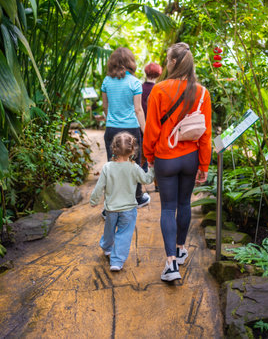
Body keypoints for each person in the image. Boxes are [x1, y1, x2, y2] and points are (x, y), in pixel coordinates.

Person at [143, 42, 212, 282]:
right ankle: (181, 249)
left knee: (168, 208)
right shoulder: (202, 93)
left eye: (167, 59)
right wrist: (204, 165)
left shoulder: (159, 90)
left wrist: (149, 157)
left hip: (166, 157)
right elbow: (206, 133)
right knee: (184, 204)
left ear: (173, 63)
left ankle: (171, 265)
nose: (165, 63)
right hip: (191, 157)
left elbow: (151, 129)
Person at [90, 132, 155, 271]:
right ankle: (116, 261)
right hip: (129, 209)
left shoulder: (107, 167)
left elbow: (99, 186)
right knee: (124, 234)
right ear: (133, 150)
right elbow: (147, 180)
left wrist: (94, 200)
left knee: (109, 230)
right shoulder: (134, 167)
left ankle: (107, 247)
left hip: (111, 209)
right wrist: (152, 168)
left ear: (113, 148)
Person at [101, 47, 150, 218]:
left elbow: (105, 107)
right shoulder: (135, 83)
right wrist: (145, 130)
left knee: (112, 166)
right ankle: (137, 198)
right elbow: (138, 110)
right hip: (131, 129)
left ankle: (110, 207)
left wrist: (111, 120)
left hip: (112, 129)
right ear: (130, 62)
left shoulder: (106, 81)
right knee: (133, 165)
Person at [141, 62, 162, 192]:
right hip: (155, 127)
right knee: (155, 156)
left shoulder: (140, 88)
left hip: (140, 125)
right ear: (159, 74)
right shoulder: (159, 89)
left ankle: (137, 185)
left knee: (140, 157)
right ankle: (157, 184)